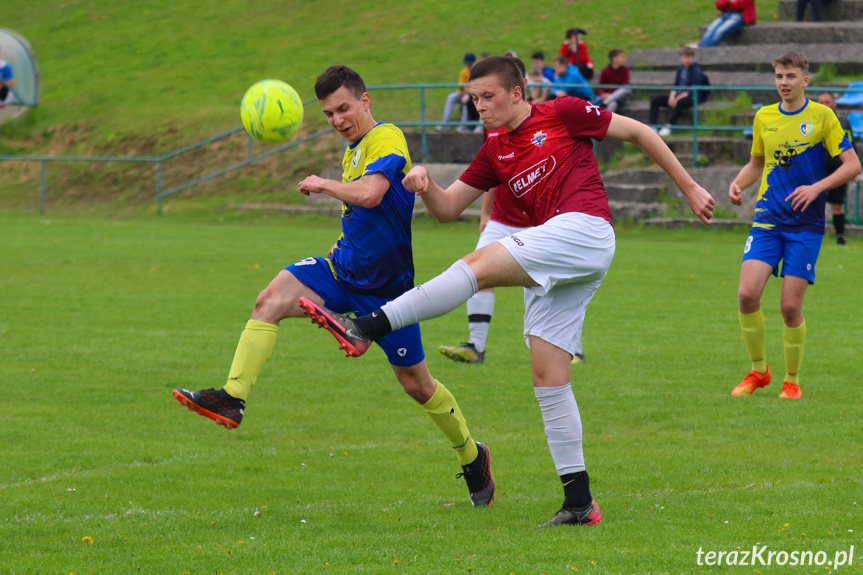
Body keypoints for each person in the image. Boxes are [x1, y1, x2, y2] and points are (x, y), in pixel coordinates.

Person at [298, 56, 714, 527]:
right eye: (474, 98)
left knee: (476, 264)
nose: (479, 106)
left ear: (517, 93)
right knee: (548, 377)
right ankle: (580, 503)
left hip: (586, 230)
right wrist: (426, 184)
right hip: (561, 256)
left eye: (488, 97)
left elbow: (640, 132)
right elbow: (448, 208)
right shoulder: (494, 147)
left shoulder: (562, 112)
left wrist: (690, 187)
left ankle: (368, 325)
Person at [172, 65, 495, 508]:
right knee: (267, 300)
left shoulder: (386, 138)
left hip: (389, 294)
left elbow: (371, 195)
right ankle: (233, 397)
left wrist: (324, 184)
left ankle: (472, 454)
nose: (338, 119)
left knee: (417, 385)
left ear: (366, 100)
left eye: (344, 108)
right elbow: (362, 215)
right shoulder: (354, 147)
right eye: (328, 114)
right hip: (341, 271)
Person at [728, 52, 860, 400]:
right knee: (746, 295)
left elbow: (852, 165)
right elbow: (757, 163)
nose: (783, 82)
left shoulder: (822, 116)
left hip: (806, 224)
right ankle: (759, 371)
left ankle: (792, 380)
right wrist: (739, 183)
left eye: (789, 76)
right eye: (778, 76)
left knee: (789, 306)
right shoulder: (764, 116)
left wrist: (817, 187)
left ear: (805, 80)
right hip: (768, 219)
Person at [818, 92, 857, 245]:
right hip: (817, 170)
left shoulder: (843, 122)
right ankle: (812, 234)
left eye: (827, 102)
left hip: (838, 170)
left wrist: (854, 168)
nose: (824, 105)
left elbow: (851, 146)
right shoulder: (811, 123)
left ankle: (840, 236)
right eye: (820, 102)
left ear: (833, 104)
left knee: (837, 205)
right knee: (813, 202)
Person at [648, 46, 708, 137]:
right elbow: (676, 84)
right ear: (681, 58)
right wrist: (672, 96)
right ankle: (653, 126)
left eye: (690, 57)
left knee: (680, 103)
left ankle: (669, 126)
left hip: (691, 97)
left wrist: (677, 98)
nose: (687, 60)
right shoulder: (680, 69)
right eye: (685, 57)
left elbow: (692, 88)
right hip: (679, 95)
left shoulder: (696, 70)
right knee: (655, 100)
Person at [437, 52, 477, 132]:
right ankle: (445, 123)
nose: (468, 66)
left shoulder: (477, 72)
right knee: (451, 96)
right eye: (467, 64)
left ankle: (463, 125)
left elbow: (476, 88)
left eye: (469, 64)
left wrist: (468, 93)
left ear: (474, 62)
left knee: (466, 100)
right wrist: (465, 91)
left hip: (473, 94)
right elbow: (460, 87)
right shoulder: (464, 72)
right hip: (465, 93)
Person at [593, 49, 631, 114]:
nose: (624, 59)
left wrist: (610, 97)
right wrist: (603, 94)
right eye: (622, 57)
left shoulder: (625, 70)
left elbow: (625, 85)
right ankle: (605, 122)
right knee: (613, 104)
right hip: (609, 98)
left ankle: (607, 100)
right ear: (614, 59)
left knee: (626, 89)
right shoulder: (605, 71)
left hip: (620, 97)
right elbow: (600, 87)